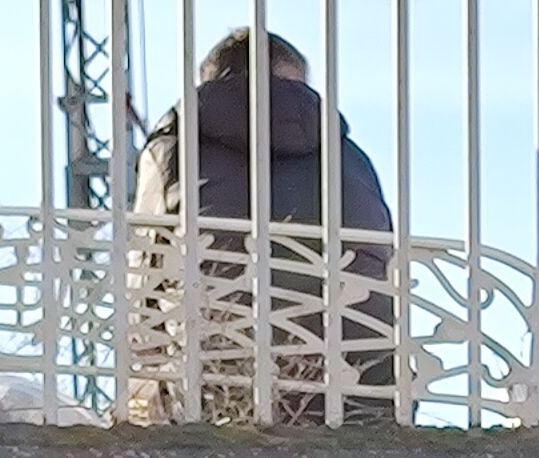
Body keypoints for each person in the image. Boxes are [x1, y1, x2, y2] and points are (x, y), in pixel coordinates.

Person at [128, 32, 400, 423]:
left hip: (214, 379)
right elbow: (377, 263)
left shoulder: (173, 149)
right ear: (296, 80)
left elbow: (144, 286)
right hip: (351, 382)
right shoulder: (350, 158)